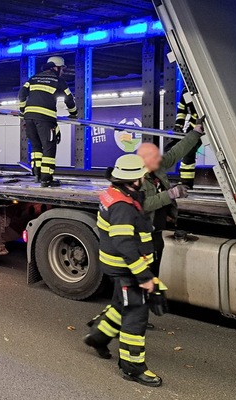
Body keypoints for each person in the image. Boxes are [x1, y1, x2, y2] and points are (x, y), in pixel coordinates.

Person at [83, 154, 161, 387]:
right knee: (135, 316)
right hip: (127, 268)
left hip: (118, 265)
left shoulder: (114, 194)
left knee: (120, 305)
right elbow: (125, 244)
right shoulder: (122, 207)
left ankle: (98, 337)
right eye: (141, 177)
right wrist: (144, 276)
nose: (144, 179)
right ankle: (132, 367)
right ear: (133, 180)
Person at [136, 125, 204, 277]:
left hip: (157, 232)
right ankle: (144, 297)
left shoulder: (156, 167)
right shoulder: (136, 179)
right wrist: (171, 194)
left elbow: (175, 152)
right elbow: (144, 205)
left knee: (155, 271)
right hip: (143, 237)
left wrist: (195, 133)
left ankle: (152, 295)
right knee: (145, 273)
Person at [18, 56, 78, 187]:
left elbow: (22, 93)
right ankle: (46, 179)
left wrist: (23, 110)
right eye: (61, 68)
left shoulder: (33, 79)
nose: (62, 71)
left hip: (29, 118)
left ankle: (37, 175)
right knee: (49, 147)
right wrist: (73, 114)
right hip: (46, 119)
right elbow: (69, 99)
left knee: (36, 147)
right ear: (55, 68)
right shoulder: (58, 80)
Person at [168, 88, 203, 188]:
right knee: (188, 153)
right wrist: (179, 125)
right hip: (194, 127)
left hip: (210, 126)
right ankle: (185, 183)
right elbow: (182, 110)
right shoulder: (186, 92)